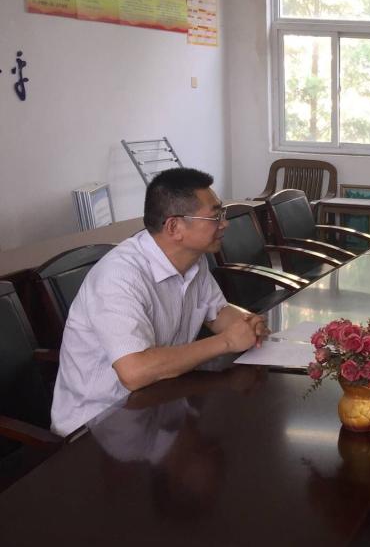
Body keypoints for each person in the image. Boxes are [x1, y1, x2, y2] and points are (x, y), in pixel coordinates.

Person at [50, 168, 269, 436]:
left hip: (161, 401)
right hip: (98, 424)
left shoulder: (193, 260)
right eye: (215, 216)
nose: (225, 224)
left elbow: (218, 311)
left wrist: (247, 323)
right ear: (174, 227)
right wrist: (226, 342)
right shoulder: (119, 277)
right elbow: (134, 372)